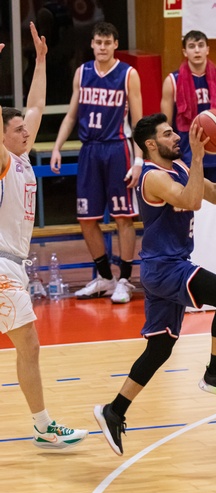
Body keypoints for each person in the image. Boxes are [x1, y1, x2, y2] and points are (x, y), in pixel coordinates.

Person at [94, 113, 216, 456]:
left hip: (168, 267)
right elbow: (191, 201)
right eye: (168, 134)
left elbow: (215, 195)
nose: (177, 137)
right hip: (165, 267)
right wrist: (199, 158)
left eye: (174, 132)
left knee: (159, 349)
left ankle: (114, 411)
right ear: (151, 144)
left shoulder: (181, 168)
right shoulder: (153, 177)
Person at [0, 22, 88, 449]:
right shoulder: (3, 160)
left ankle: (42, 424)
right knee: (29, 345)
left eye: (25, 128)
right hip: (1, 267)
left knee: (28, 347)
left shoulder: (20, 156)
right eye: (17, 129)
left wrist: (40, 61)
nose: (26, 132)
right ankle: (43, 426)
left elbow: (35, 105)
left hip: (13, 263)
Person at [50, 21, 143, 304]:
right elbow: (71, 115)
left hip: (118, 149)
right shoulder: (82, 72)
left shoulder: (128, 74)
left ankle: (124, 280)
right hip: (89, 150)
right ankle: (104, 277)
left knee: (123, 217)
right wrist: (57, 147)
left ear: (115, 45)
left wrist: (139, 160)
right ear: (92, 44)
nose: (102, 47)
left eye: (107, 42)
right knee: (86, 219)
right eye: (98, 42)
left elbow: (138, 122)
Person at [161, 30, 216, 183]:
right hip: (187, 155)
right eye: (192, 46)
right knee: (190, 198)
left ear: (207, 49)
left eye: (201, 45)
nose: (197, 50)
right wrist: (169, 157)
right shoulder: (172, 81)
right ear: (185, 52)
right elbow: (166, 125)